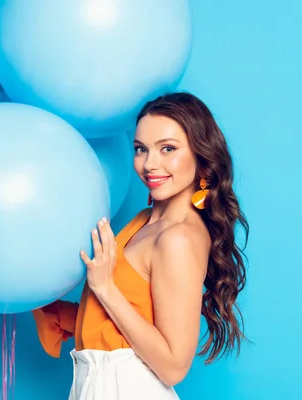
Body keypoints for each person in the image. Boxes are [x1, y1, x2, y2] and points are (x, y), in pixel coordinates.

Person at [32, 92, 249, 399]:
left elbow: (174, 365)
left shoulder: (178, 238)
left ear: (202, 156)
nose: (150, 164)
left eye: (168, 149)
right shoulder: (146, 219)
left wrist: (106, 289)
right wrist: (57, 310)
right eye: (141, 149)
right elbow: (128, 317)